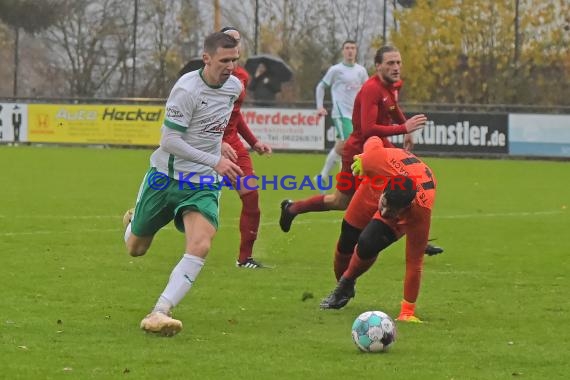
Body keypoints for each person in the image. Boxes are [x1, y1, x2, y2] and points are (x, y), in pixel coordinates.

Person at [122, 32, 243, 336]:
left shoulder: (234, 87)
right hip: (166, 177)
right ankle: (133, 220)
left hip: (202, 183)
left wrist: (220, 145)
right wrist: (213, 158)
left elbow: (216, 125)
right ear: (207, 59)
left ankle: (160, 311)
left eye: (235, 59)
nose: (231, 66)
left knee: (201, 243)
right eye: (224, 60)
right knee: (135, 248)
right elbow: (170, 141)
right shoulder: (186, 90)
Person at [279, 45, 443, 255]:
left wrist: (406, 128)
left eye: (398, 62)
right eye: (390, 63)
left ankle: (418, 238)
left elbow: (392, 107)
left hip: (382, 148)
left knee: (406, 187)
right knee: (341, 201)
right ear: (377, 66)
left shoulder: (393, 85)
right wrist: (404, 128)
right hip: (360, 152)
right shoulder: (371, 89)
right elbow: (367, 129)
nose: (396, 67)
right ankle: (292, 209)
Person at [319, 136, 436, 323]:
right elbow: (373, 139)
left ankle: (344, 285)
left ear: (405, 208)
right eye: (384, 205)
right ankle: (344, 287)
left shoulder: (420, 211)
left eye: (391, 211)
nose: (383, 212)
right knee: (347, 238)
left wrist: (407, 311)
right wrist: (364, 158)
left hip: (402, 197)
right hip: (374, 187)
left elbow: (414, 263)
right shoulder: (376, 162)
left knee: (368, 243)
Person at [219, 26, 272, 269]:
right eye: (230, 40)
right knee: (182, 197)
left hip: (234, 146)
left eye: (238, 41)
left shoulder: (241, 77)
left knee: (251, 197)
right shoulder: (206, 76)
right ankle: (141, 219)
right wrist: (214, 142)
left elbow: (235, 115)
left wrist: (254, 142)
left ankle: (244, 259)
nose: (235, 43)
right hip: (205, 145)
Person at [314, 40, 368, 193]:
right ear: (343, 51)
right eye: (347, 48)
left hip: (355, 115)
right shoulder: (336, 70)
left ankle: (323, 176)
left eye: (352, 48)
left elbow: (368, 90)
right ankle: (344, 181)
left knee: (342, 146)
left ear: (356, 51)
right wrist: (319, 106)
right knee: (348, 144)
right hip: (341, 113)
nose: (350, 51)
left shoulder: (361, 71)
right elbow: (321, 86)